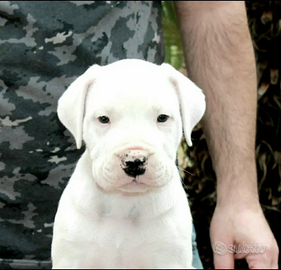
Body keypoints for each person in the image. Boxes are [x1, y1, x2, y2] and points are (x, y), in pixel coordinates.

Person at [0, 1, 278, 269]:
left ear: (184, 114)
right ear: (79, 119)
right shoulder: (73, 217)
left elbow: (214, 8)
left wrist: (240, 201)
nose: (134, 156)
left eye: (162, 119)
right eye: (104, 119)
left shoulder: (171, 220)